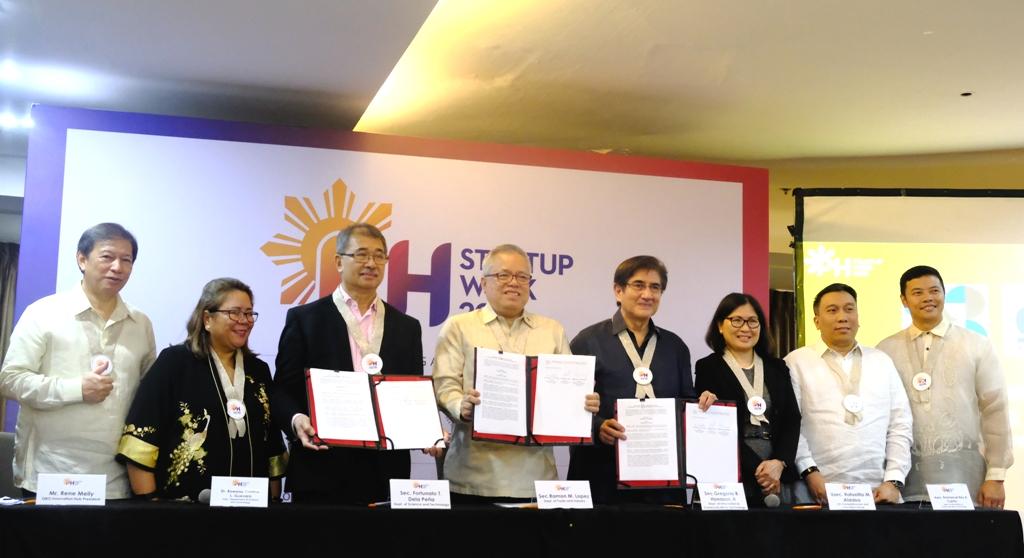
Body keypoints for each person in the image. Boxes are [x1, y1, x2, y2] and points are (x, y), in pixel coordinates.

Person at [433, 244, 600, 503]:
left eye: (523, 277)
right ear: (483, 283)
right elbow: (444, 386)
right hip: (473, 478)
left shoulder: (551, 330)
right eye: (503, 275)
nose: (514, 283)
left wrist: (583, 403)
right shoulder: (459, 326)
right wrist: (461, 406)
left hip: (536, 478)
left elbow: (568, 394)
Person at [0, 223, 156, 498]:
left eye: (126, 260)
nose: (117, 267)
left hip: (117, 480)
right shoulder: (43, 312)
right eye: (107, 257)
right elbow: (10, 380)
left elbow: (148, 396)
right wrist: (76, 389)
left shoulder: (140, 322)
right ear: (82, 259)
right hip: (51, 471)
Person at [272, 223, 424, 504]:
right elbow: (282, 389)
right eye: (362, 254)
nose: (371, 263)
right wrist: (296, 420)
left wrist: (425, 429)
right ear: (339, 262)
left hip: (385, 471)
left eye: (380, 256)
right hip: (322, 466)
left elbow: (412, 394)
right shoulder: (305, 319)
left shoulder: (407, 327)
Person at [116, 278, 286, 501]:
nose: (244, 321)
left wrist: (273, 503)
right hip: (186, 511)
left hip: (251, 508)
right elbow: (141, 439)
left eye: (249, 313)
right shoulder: (175, 363)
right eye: (234, 312)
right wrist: (151, 505)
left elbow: (271, 444)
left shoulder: (259, 370)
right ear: (207, 318)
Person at [567, 255, 710, 504]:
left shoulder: (675, 347)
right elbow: (567, 406)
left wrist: (705, 406)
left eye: (655, 287)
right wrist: (598, 426)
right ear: (618, 290)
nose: (647, 294)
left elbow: (686, 404)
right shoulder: (587, 341)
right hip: (602, 475)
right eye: (638, 285)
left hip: (661, 478)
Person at [877, 265, 1012, 507]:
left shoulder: (976, 345)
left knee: (962, 544)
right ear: (904, 300)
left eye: (934, 291)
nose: (928, 298)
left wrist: (996, 476)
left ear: (944, 294)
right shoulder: (885, 350)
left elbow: (995, 410)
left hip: (963, 476)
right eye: (917, 292)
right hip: (903, 480)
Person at [785, 283, 912, 504]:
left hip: (877, 493)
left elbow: (900, 423)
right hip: (816, 491)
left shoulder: (881, 361)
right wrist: (810, 472)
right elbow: (790, 425)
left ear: (858, 316)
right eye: (832, 310)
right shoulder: (796, 362)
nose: (842, 317)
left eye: (849, 309)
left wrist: (893, 480)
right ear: (816, 321)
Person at [694, 293, 801, 506]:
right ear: (720, 325)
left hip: (777, 478)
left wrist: (779, 463)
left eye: (753, 321)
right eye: (736, 320)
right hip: (731, 475)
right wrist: (760, 470)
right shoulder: (707, 367)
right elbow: (713, 428)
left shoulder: (778, 367)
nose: (745, 328)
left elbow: (792, 419)